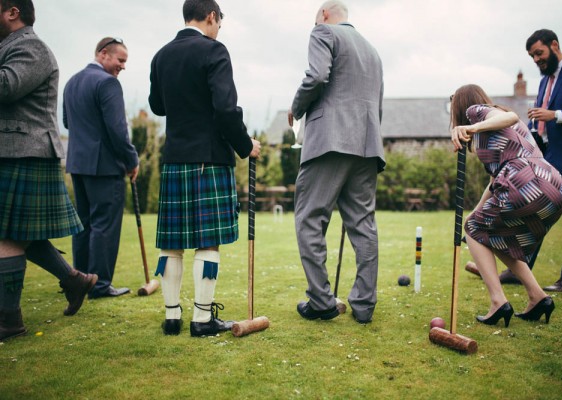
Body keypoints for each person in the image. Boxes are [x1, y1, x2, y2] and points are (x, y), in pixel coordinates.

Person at [148, 0, 261, 337]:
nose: (218, 29)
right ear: (211, 16)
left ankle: (171, 317)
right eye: (219, 23)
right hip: (208, 158)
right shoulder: (214, 51)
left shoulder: (161, 55)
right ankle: (201, 319)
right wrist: (246, 146)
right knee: (207, 241)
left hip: (174, 157)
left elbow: (157, 105)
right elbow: (226, 111)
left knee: (172, 242)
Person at [465, 29, 562, 292]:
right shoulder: (544, 81)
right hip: (545, 156)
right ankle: (519, 268)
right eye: (532, 56)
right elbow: (537, 118)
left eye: (539, 53)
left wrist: (555, 115)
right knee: (531, 216)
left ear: (554, 45)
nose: (536, 60)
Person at [0, 0, 98, 341]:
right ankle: (75, 280)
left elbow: (6, 86)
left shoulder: (31, 46)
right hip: (13, 151)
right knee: (21, 234)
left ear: (13, 11)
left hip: (24, 151)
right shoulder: (9, 46)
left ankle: (9, 321)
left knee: (7, 235)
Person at [288, 0, 385, 324]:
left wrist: (296, 108)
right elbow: (378, 104)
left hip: (329, 141)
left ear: (325, 14)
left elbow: (316, 77)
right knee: (363, 224)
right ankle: (363, 304)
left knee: (309, 219)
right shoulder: (373, 51)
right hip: (367, 144)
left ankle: (321, 301)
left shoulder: (322, 32)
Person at [450, 84, 562, 327]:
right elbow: (494, 182)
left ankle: (497, 301)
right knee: (499, 237)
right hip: (554, 186)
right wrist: (475, 212)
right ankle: (538, 297)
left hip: (526, 182)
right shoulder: (494, 136)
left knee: (474, 229)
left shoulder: (477, 111)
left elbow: (511, 115)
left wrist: (471, 125)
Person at [63, 37, 139, 299]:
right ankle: (99, 285)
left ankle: (80, 279)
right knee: (104, 226)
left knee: (83, 225)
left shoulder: (72, 82)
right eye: (121, 60)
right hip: (105, 168)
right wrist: (132, 160)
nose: (123, 66)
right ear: (103, 54)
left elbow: (67, 121)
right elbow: (118, 130)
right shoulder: (108, 83)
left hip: (78, 165)